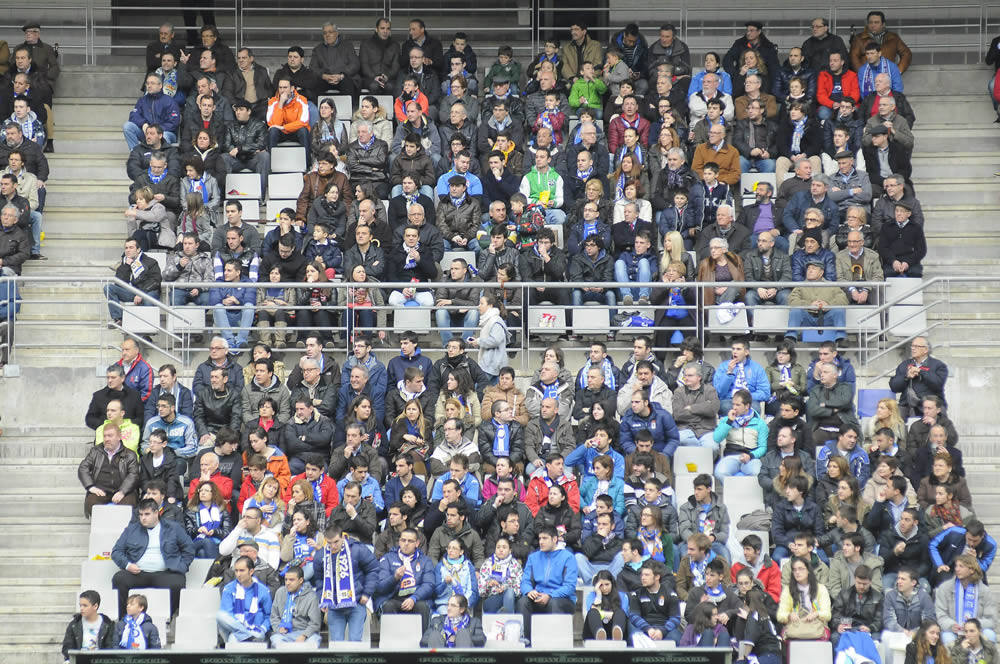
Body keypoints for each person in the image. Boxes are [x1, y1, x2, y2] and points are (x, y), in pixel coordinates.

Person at [517, 525, 577, 641]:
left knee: (553, 603)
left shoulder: (568, 557)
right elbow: (525, 581)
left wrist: (550, 595)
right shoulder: (533, 557)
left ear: (555, 539)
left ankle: (554, 643)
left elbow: (569, 587)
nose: (541, 542)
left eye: (545, 538)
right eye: (539, 538)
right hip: (539, 597)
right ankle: (526, 642)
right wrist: (529, 591)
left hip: (562, 600)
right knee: (523, 601)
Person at [79, 424, 141, 519]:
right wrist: (91, 487)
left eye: (110, 436)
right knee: (91, 502)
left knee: (128, 505)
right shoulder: (95, 452)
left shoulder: (129, 454)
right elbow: (83, 468)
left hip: (124, 491)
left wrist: (122, 491)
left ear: (119, 437)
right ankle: (102, 529)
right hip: (101, 491)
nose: (106, 439)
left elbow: (133, 474)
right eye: (105, 436)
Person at [935, 554, 998, 645]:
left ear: (971, 570)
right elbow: (940, 615)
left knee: (990, 635)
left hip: (978, 630)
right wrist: (952, 625)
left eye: (961, 566)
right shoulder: (945, 588)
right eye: (956, 566)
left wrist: (975, 625)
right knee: (947, 637)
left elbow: (992, 620)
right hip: (953, 631)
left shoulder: (984, 591)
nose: (957, 569)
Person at [713, 388, 769, 479]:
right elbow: (716, 438)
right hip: (731, 456)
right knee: (720, 472)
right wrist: (729, 422)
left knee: (757, 473)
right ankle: (734, 492)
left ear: (747, 406)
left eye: (738, 405)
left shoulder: (760, 423)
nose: (734, 407)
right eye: (733, 404)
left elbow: (763, 447)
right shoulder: (726, 420)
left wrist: (750, 456)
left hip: (751, 457)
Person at [889, 336, 949, 418]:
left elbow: (938, 385)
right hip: (906, 405)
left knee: (938, 415)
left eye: (916, 346)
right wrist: (906, 376)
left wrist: (921, 372)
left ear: (926, 350)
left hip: (930, 404)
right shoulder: (904, 365)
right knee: (894, 420)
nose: (913, 349)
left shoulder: (938, 365)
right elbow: (894, 387)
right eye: (912, 346)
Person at [777, 555, 832, 640]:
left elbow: (827, 614)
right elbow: (780, 615)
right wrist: (789, 615)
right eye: (794, 570)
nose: (797, 572)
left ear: (808, 570)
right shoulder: (788, 590)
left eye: (801, 569)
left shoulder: (820, 588)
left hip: (816, 626)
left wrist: (816, 614)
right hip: (795, 626)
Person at [678, 475, 731, 562]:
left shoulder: (721, 508)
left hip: (712, 543)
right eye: (695, 489)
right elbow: (684, 530)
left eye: (699, 489)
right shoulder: (685, 507)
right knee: (685, 556)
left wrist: (713, 537)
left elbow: (724, 533)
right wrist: (697, 541)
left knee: (725, 555)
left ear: (708, 489)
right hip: (691, 543)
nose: (696, 492)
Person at [61, 590, 117, 661]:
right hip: (79, 660)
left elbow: (110, 647)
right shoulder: (74, 624)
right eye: (80, 605)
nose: (81, 608)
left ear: (95, 606)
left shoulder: (108, 624)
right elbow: (66, 648)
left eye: (85, 605)